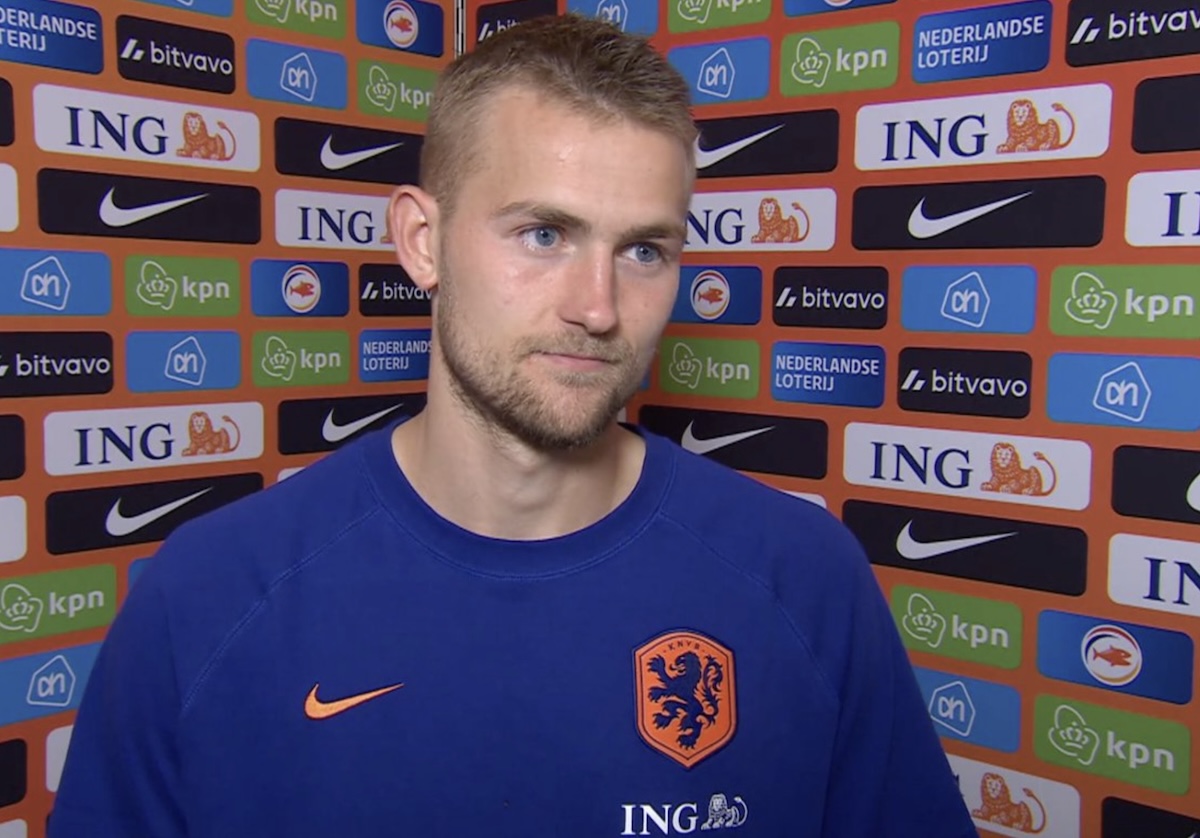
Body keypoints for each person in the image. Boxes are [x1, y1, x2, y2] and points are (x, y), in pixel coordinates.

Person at [49, 13, 977, 838]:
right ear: (422, 241)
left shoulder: (803, 577)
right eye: (544, 235)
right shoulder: (208, 596)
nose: (598, 307)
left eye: (644, 249)